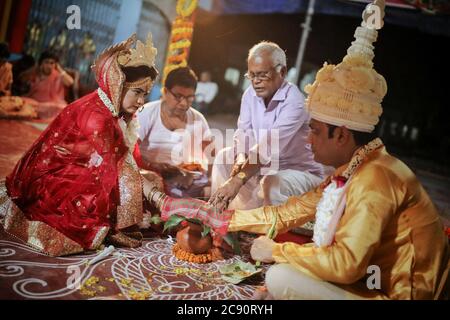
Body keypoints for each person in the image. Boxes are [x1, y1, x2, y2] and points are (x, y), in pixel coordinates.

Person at [224, 0, 449, 300]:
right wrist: (227, 220)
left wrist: (277, 250)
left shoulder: (375, 180)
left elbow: (345, 266)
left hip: (399, 293)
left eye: (314, 131)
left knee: (279, 277)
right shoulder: (356, 167)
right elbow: (292, 211)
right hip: (371, 275)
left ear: (341, 135)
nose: (308, 139)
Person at [0, 33, 164, 256]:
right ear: (117, 83)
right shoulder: (97, 116)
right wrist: (159, 198)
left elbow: (129, 161)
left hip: (93, 168)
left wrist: (152, 190)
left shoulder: (119, 112)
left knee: (151, 180)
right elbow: (119, 168)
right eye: (137, 92)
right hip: (59, 179)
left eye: (145, 94)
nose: (141, 101)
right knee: (125, 186)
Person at [209, 41, 324, 212]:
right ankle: (219, 219)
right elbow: (244, 132)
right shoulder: (250, 95)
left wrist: (238, 178)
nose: (256, 82)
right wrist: (241, 157)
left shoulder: (295, 101)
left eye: (263, 75)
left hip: (298, 174)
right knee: (223, 158)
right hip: (264, 167)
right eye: (251, 75)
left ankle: (262, 234)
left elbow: (269, 145)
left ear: (282, 72)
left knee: (272, 182)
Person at [137, 67, 213, 198]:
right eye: (178, 96)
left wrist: (194, 176)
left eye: (189, 98)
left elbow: (210, 155)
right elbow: (129, 151)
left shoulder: (198, 119)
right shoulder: (146, 113)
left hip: (181, 178)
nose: (183, 103)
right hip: (147, 174)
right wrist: (152, 165)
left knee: (208, 191)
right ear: (165, 92)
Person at [19, 50, 74, 118]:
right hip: (34, 102)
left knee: (61, 108)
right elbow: (21, 78)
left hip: (51, 105)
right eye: (46, 62)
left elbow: (70, 82)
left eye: (52, 63)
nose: (49, 66)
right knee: (22, 102)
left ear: (55, 65)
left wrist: (60, 69)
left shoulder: (58, 75)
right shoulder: (35, 73)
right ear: (41, 63)